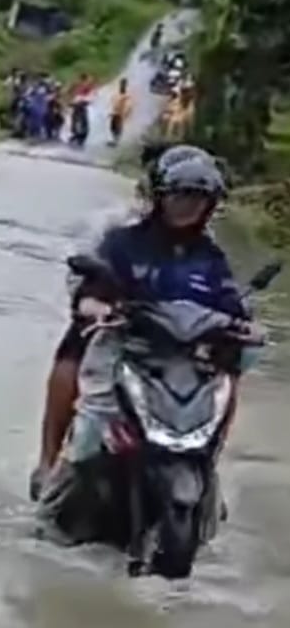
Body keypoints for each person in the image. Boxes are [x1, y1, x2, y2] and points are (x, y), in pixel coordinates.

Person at [31, 145, 249, 499]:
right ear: (160, 197)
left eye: (198, 197)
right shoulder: (123, 243)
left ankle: (208, 464)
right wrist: (94, 305)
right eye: (180, 196)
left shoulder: (211, 259)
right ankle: (50, 463)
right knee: (76, 345)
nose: (188, 205)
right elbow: (90, 287)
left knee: (231, 372)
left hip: (183, 360)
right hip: (125, 347)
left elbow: (232, 306)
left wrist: (243, 328)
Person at [109, 77, 133, 145]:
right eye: (121, 84)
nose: (122, 85)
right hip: (115, 112)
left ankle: (116, 141)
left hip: (121, 113)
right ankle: (114, 139)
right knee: (112, 127)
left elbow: (129, 104)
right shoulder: (119, 92)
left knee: (118, 127)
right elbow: (114, 100)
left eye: (123, 84)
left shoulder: (127, 94)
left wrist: (126, 112)